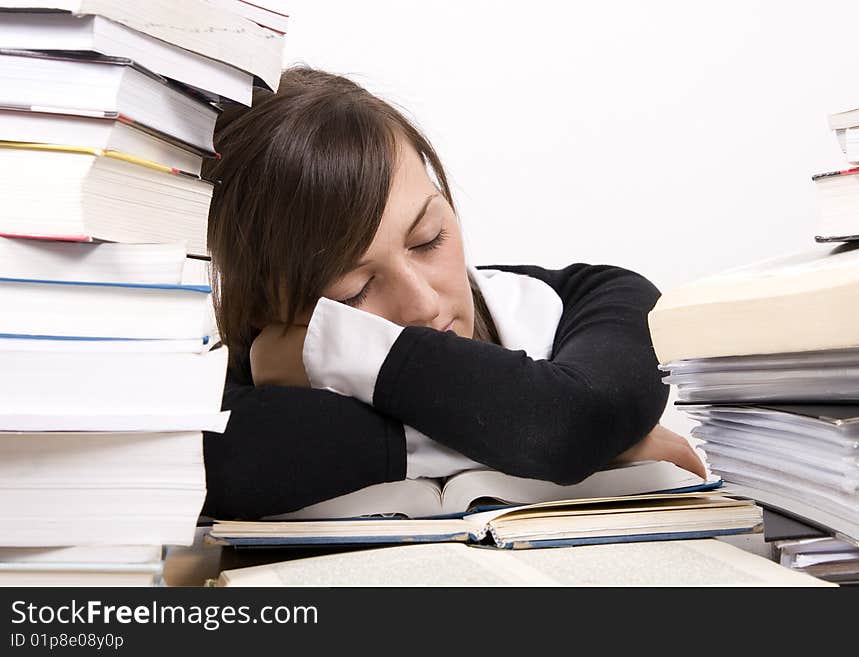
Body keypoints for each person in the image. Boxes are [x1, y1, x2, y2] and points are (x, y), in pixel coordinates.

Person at [201, 65, 705, 520]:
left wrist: (343, 349)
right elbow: (220, 467)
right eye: (353, 291)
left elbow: (575, 421)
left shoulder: (594, 298)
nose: (421, 302)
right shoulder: (199, 395)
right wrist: (599, 444)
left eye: (428, 239)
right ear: (269, 306)